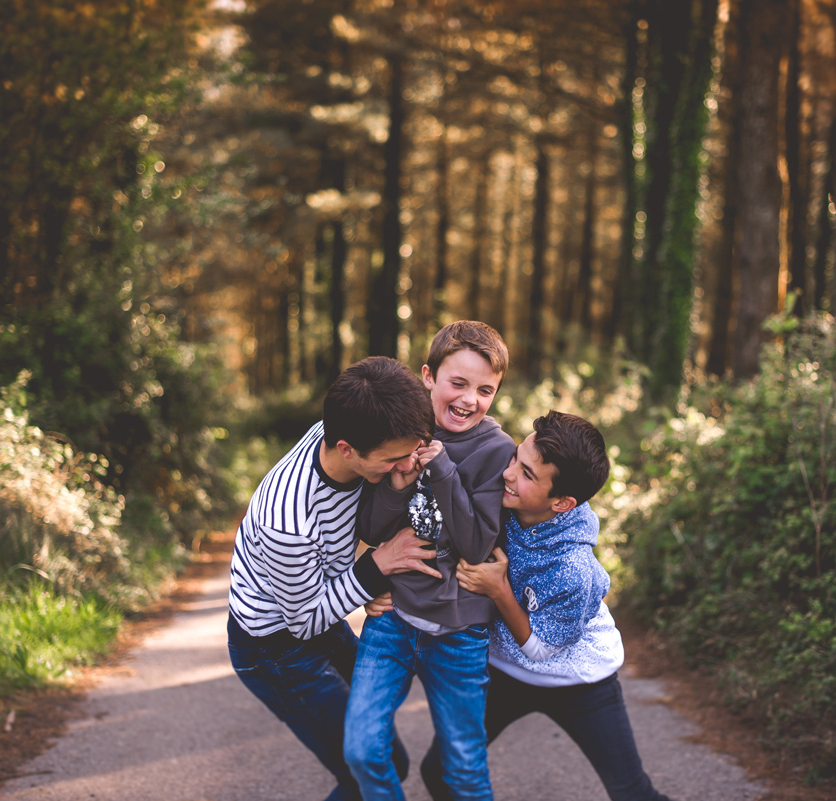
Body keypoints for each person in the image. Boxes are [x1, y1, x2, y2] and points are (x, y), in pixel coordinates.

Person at [420, 410, 676, 801]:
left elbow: (540, 649)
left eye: (526, 474)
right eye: (515, 458)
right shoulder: (498, 500)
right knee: (439, 772)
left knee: (632, 793)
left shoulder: (575, 569)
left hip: (579, 682)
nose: (508, 474)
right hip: (503, 672)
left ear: (561, 502)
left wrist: (499, 590)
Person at [226, 356, 445, 801]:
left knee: (385, 759)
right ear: (347, 450)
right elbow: (303, 621)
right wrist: (375, 569)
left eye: (411, 452)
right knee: (366, 774)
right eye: (393, 459)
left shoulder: (356, 421)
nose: (407, 466)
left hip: (321, 618)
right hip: (275, 648)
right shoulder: (287, 521)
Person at [343, 321, 517, 801]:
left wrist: (441, 470)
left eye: (485, 390)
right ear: (428, 377)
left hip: (459, 633)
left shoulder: (496, 450)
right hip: (392, 621)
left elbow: (476, 546)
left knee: (464, 768)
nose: (469, 400)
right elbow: (371, 530)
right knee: (361, 749)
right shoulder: (402, 432)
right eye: (458, 383)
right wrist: (399, 486)